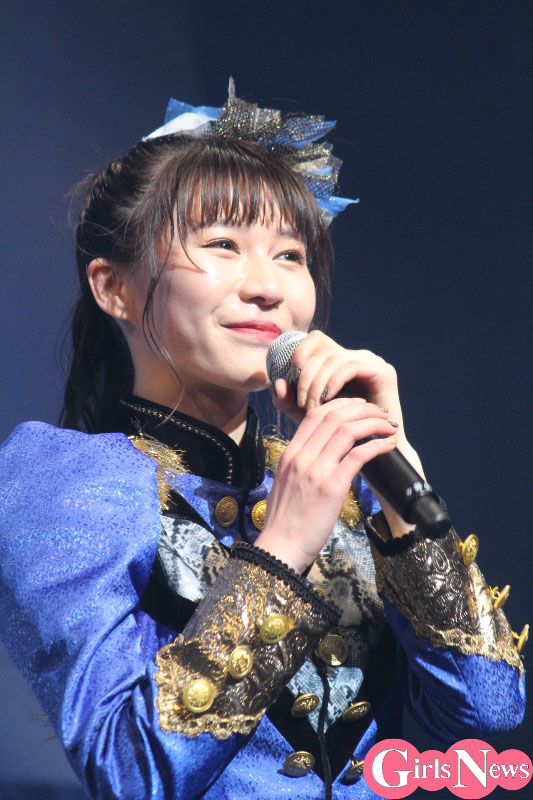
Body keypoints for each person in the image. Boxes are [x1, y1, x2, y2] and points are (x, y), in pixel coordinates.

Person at [0, 82, 526, 800]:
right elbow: (129, 774)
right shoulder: (62, 482)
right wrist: (280, 553)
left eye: (290, 255)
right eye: (222, 244)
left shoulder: (336, 478)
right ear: (113, 287)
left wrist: (396, 467)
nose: (268, 287)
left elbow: (485, 715)